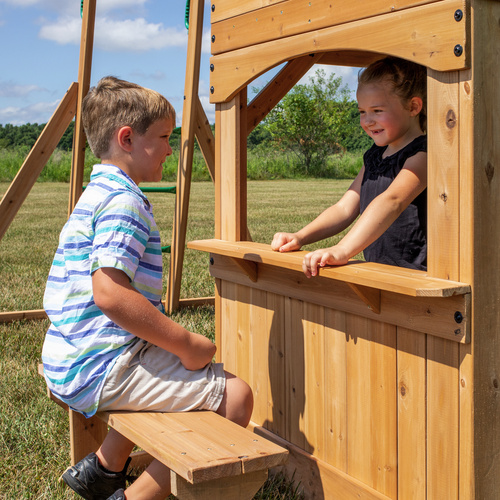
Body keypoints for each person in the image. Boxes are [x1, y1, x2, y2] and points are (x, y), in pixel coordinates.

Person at [41, 76, 253, 500]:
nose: (171, 149)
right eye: (163, 137)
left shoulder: (95, 191)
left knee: (171, 364)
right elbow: (110, 294)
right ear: (127, 139)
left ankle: (104, 468)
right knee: (236, 397)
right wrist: (187, 343)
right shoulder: (125, 203)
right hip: (99, 365)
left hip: (68, 354)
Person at [271, 56, 427, 276]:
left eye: (377, 110)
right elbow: (344, 208)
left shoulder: (423, 154)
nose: (367, 121)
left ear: (413, 106)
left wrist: (343, 249)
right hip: (378, 271)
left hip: (415, 274)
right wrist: (300, 236)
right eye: (362, 111)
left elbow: (392, 201)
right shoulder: (375, 156)